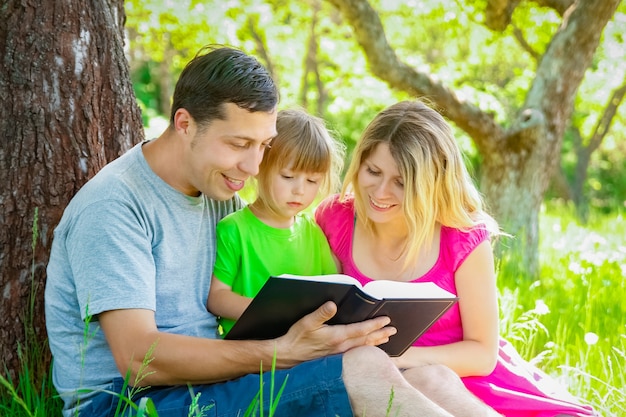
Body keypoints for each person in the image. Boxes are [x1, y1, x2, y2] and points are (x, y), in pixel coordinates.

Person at [44, 46, 497, 417]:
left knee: (430, 376)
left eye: (263, 146)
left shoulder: (218, 190)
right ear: (185, 124)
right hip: (131, 404)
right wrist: (285, 350)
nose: (254, 167)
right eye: (239, 145)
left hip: (212, 381)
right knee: (360, 368)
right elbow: (140, 360)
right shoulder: (116, 206)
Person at [315, 100, 598, 417]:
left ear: (431, 183)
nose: (380, 192)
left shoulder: (462, 236)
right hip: (376, 385)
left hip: (466, 381)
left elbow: (481, 353)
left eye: (401, 182)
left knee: (432, 382)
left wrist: (395, 361)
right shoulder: (335, 218)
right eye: (373, 172)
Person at [207, 108, 343, 337]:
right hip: (248, 353)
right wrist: (271, 312)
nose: (299, 190)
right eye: (288, 177)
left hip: (303, 350)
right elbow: (217, 297)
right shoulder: (234, 229)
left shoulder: (313, 233)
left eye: (312, 181)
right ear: (259, 166)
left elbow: (334, 291)